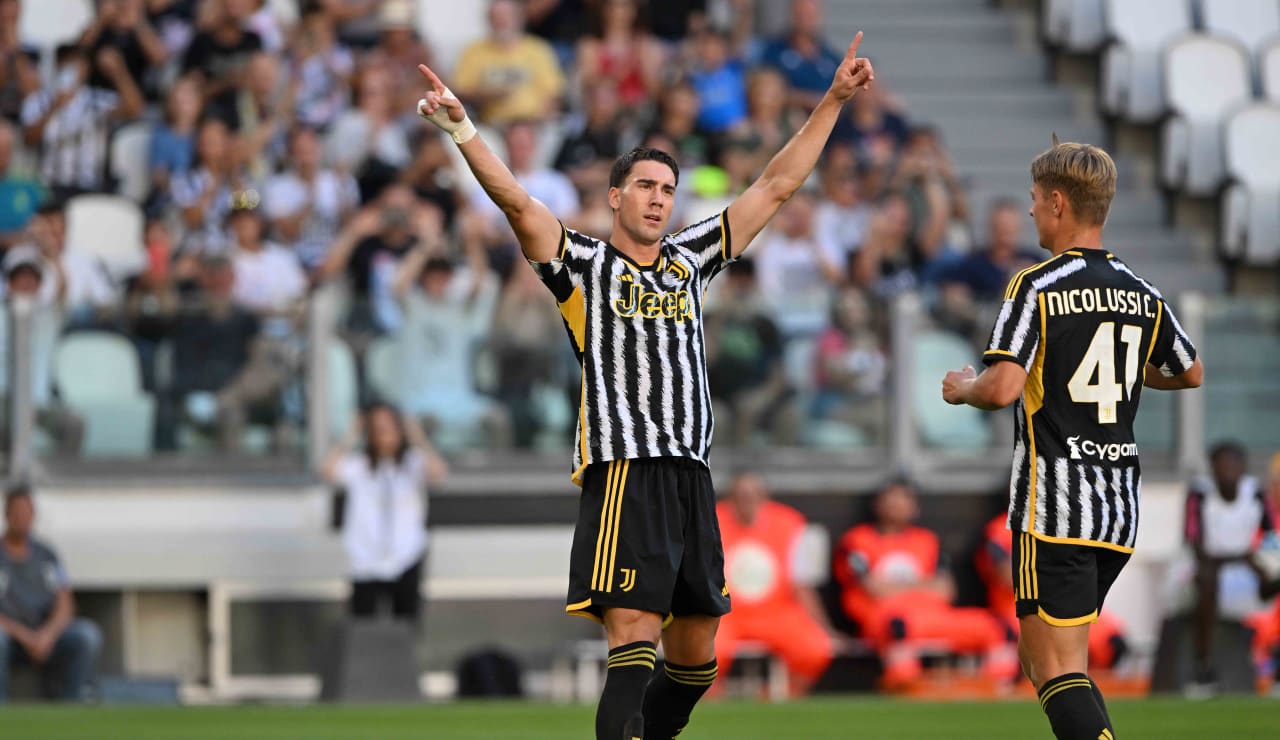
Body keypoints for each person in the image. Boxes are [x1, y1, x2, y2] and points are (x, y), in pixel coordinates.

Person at [417, 31, 872, 740]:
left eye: (668, 189)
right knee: (633, 638)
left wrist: (833, 100)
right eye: (647, 188)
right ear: (616, 195)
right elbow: (516, 202)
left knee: (695, 662)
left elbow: (776, 185)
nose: (660, 200)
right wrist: (464, 130)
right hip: (626, 469)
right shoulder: (584, 265)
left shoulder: (692, 258)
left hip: (691, 476)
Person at [942, 139, 1204, 740]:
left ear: (1058, 202)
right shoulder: (1141, 291)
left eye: (1035, 199)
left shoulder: (1034, 286)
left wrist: (963, 388)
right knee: (1063, 666)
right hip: (1117, 510)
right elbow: (1190, 371)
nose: (1031, 211)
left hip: (1053, 503)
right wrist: (1132, 368)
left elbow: (1003, 388)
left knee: (1053, 669)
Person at [833, 481, 1019, 691]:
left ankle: (992, 689)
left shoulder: (927, 540)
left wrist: (896, 587)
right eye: (891, 500)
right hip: (884, 617)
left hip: (934, 615)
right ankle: (908, 688)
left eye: (904, 500)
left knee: (998, 629)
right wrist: (923, 586)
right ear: (877, 505)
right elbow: (873, 589)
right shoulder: (857, 541)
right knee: (898, 627)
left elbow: (946, 590)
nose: (897, 506)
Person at [323, 403, 447, 620]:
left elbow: (438, 473)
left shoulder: (412, 464)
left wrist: (418, 438)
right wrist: (350, 436)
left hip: (406, 556)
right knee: (364, 627)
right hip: (365, 560)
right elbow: (328, 471)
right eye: (378, 429)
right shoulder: (359, 467)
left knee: (405, 626)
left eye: (390, 428)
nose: (385, 435)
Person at [715, 472, 835, 695]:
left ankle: (781, 696)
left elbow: (802, 584)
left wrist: (825, 628)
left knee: (815, 648)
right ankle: (710, 701)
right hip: (723, 614)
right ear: (730, 498)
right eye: (740, 496)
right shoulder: (709, 519)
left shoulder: (789, 523)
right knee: (702, 653)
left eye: (753, 495)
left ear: (764, 497)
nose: (746, 502)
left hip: (777, 612)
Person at [975, 513, 1130, 673]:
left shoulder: (1061, 519)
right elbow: (1005, 573)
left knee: (1108, 635)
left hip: (1063, 603)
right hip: (1018, 610)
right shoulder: (1003, 527)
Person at [1181, 441, 1276, 696]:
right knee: (1208, 580)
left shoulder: (1254, 492)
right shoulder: (1199, 493)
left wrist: (1265, 565)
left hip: (1244, 568)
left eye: (1233, 465)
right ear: (1212, 469)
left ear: (1242, 468)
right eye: (1222, 466)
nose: (1227, 471)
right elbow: (1193, 540)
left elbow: (1270, 537)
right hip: (1205, 568)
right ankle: (1203, 668)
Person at [0, 486, 102, 702]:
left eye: (27, 513)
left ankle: (73, 704)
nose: (22, 518)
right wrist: (26, 637)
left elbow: (65, 602)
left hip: (46, 636)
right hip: (12, 637)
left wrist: (47, 635)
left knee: (87, 635)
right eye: (17, 512)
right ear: (7, 515)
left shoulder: (48, 555)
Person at [451, 0, 565, 126]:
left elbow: (554, 95)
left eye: (505, 17)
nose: (501, 23)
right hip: (490, 125)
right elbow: (459, 92)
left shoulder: (538, 50)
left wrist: (537, 121)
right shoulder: (473, 52)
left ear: (518, 19)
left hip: (533, 125)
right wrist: (485, 95)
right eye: (496, 18)